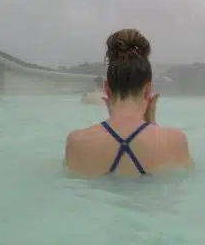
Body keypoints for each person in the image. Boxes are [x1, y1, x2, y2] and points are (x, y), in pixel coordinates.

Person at [64, 29, 192, 177]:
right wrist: (152, 124)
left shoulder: (76, 142)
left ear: (107, 89)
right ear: (148, 90)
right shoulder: (175, 141)